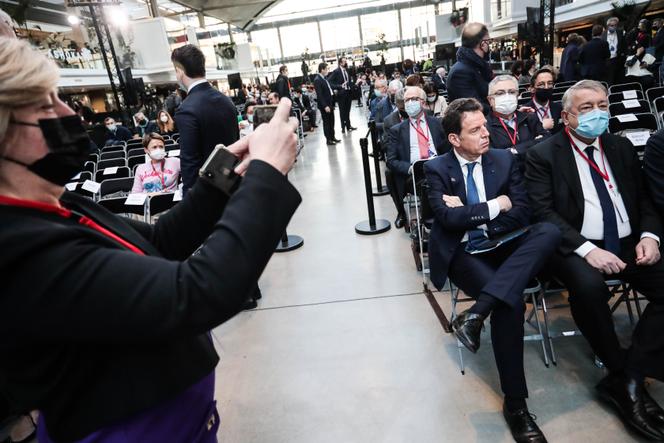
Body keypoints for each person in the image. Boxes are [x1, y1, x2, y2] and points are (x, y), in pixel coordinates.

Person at [0, 38, 302, 443]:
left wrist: (226, 172)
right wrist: (266, 173)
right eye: (45, 105)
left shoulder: (59, 205)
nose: (69, 113)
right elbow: (196, 292)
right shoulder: (18, 249)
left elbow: (161, 238)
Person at [525, 80, 664, 441]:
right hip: (575, 246)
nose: (598, 112)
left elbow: (646, 198)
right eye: (587, 107)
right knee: (588, 288)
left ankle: (627, 375)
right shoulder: (544, 154)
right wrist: (589, 250)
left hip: (629, 241)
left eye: (602, 104)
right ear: (566, 115)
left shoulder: (619, 146)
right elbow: (543, 213)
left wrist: (650, 235)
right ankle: (625, 377)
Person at [425, 97, 561, 443]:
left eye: (485, 126)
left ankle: (476, 313)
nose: (486, 134)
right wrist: (493, 206)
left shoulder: (502, 159)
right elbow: (446, 219)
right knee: (511, 303)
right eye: (475, 130)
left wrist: (475, 214)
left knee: (548, 231)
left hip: (506, 244)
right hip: (465, 252)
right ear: (454, 139)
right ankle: (516, 406)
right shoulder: (437, 168)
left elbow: (523, 212)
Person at [171, 44, 238, 194]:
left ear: (180, 71)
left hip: (207, 191)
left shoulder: (186, 109)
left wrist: (190, 197)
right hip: (231, 183)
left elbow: (190, 160)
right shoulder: (226, 101)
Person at [386, 86, 447, 228]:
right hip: (415, 174)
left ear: (423, 102)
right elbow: (391, 160)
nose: (410, 103)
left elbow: (447, 149)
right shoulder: (397, 130)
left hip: (440, 167)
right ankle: (429, 223)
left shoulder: (437, 124)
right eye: (407, 100)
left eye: (414, 99)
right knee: (427, 183)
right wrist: (411, 168)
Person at [486, 75, 548, 166]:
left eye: (511, 92)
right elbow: (494, 157)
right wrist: (533, 144)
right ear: (490, 100)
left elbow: (546, 140)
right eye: (500, 93)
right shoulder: (485, 125)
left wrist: (514, 150)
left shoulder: (529, 117)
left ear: (517, 96)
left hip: (533, 171)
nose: (507, 96)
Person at [447, 22, 494, 113]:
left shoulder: (476, 67)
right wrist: (499, 109)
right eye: (488, 41)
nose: (489, 45)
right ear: (483, 43)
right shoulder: (461, 72)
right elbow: (473, 106)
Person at [527, 67, 563, 134]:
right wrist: (541, 127)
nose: (546, 87)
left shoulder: (559, 108)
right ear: (532, 89)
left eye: (549, 83)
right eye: (541, 84)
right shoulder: (525, 112)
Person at [328, 57, 356, 133]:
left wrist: (352, 86)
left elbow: (349, 80)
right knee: (342, 111)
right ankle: (343, 127)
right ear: (340, 63)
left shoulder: (347, 70)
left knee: (348, 110)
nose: (345, 63)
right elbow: (329, 81)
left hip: (348, 92)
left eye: (346, 61)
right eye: (344, 62)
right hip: (341, 94)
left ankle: (348, 125)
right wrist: (338, 87)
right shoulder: (336, 71)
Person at [314, 62, 338, 146]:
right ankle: (328, 139)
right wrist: (325, 106)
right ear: (322, 69)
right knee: (327, 122)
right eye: (327, 69)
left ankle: (332, 137)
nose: (328, 70)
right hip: (325, 105)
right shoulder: (317, 80)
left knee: (332, 121)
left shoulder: (324, 78)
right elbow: (320, 95)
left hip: (330, 103)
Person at [602, 17, 628, 85]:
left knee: (619, 80)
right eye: (612, 25)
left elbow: (624, 45)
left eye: (616, 25)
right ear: (608, 26)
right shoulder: (603, 34)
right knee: (610, 81)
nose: (614, 27)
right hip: (608, 61)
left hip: (618, 60)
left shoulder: (620, 32)